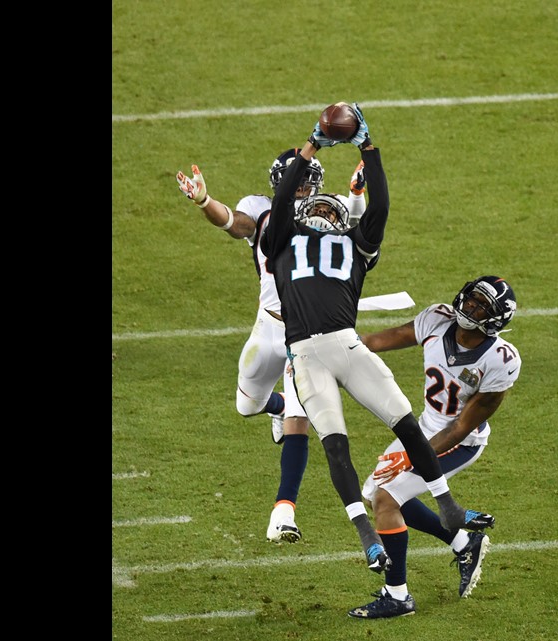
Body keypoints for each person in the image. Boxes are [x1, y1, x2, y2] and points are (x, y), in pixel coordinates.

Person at [260, 102, 495, 596]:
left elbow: (381, 205)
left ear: (344, 219)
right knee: (336, 445)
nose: (326, 211)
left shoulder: (356, 245)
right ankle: (365, 532)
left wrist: (369, 147)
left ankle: (447, 505)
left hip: (345, 344)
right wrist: (312, 146)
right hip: (304, 354)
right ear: (305, 214)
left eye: (333, 209)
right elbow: (282, 201)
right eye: (318, 208)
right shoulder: (282, 237)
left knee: (404, 421)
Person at [174, 151, 367, 543]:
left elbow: (361, 220)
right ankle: (275, 408)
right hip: (268, 326)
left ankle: (283, 512)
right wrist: (205, 202)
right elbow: (234, 223)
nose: (302, 190)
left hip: (308, 331)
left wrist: (358, 192)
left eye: (307, 183)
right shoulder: (262, 211)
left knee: (302, 420)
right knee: (247, 406)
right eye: (295, 183)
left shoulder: (328, 210)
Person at [348, 276, 520, 618]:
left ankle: (397, 596)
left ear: (496, 319)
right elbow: (385, 338)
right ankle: (463, 543)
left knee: (385, 498)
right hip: (423, 426)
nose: (470, 307)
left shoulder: (500, 359)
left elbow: (459, 428)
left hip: (461, 442)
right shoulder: (437, 319)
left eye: (481, 306)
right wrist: (343, 349)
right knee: (375, 492)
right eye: (471, 298)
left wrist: (411, 455)